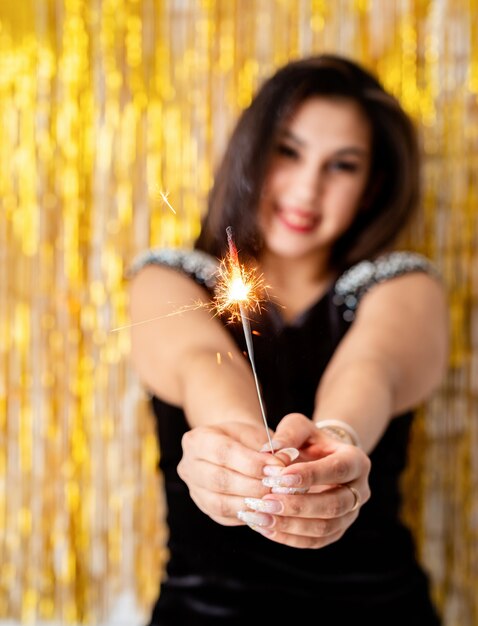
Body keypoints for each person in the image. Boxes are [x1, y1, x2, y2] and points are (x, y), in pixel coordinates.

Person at [128, 53, 449, 625]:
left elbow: (370, 368)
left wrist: (335, 438)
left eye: (342, 166)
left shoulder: (405, 285)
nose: (307, 188)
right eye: (288, 151)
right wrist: (239, 440)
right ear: (251, 152)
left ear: (372, 186)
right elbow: (207, 364)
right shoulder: (168, 280)